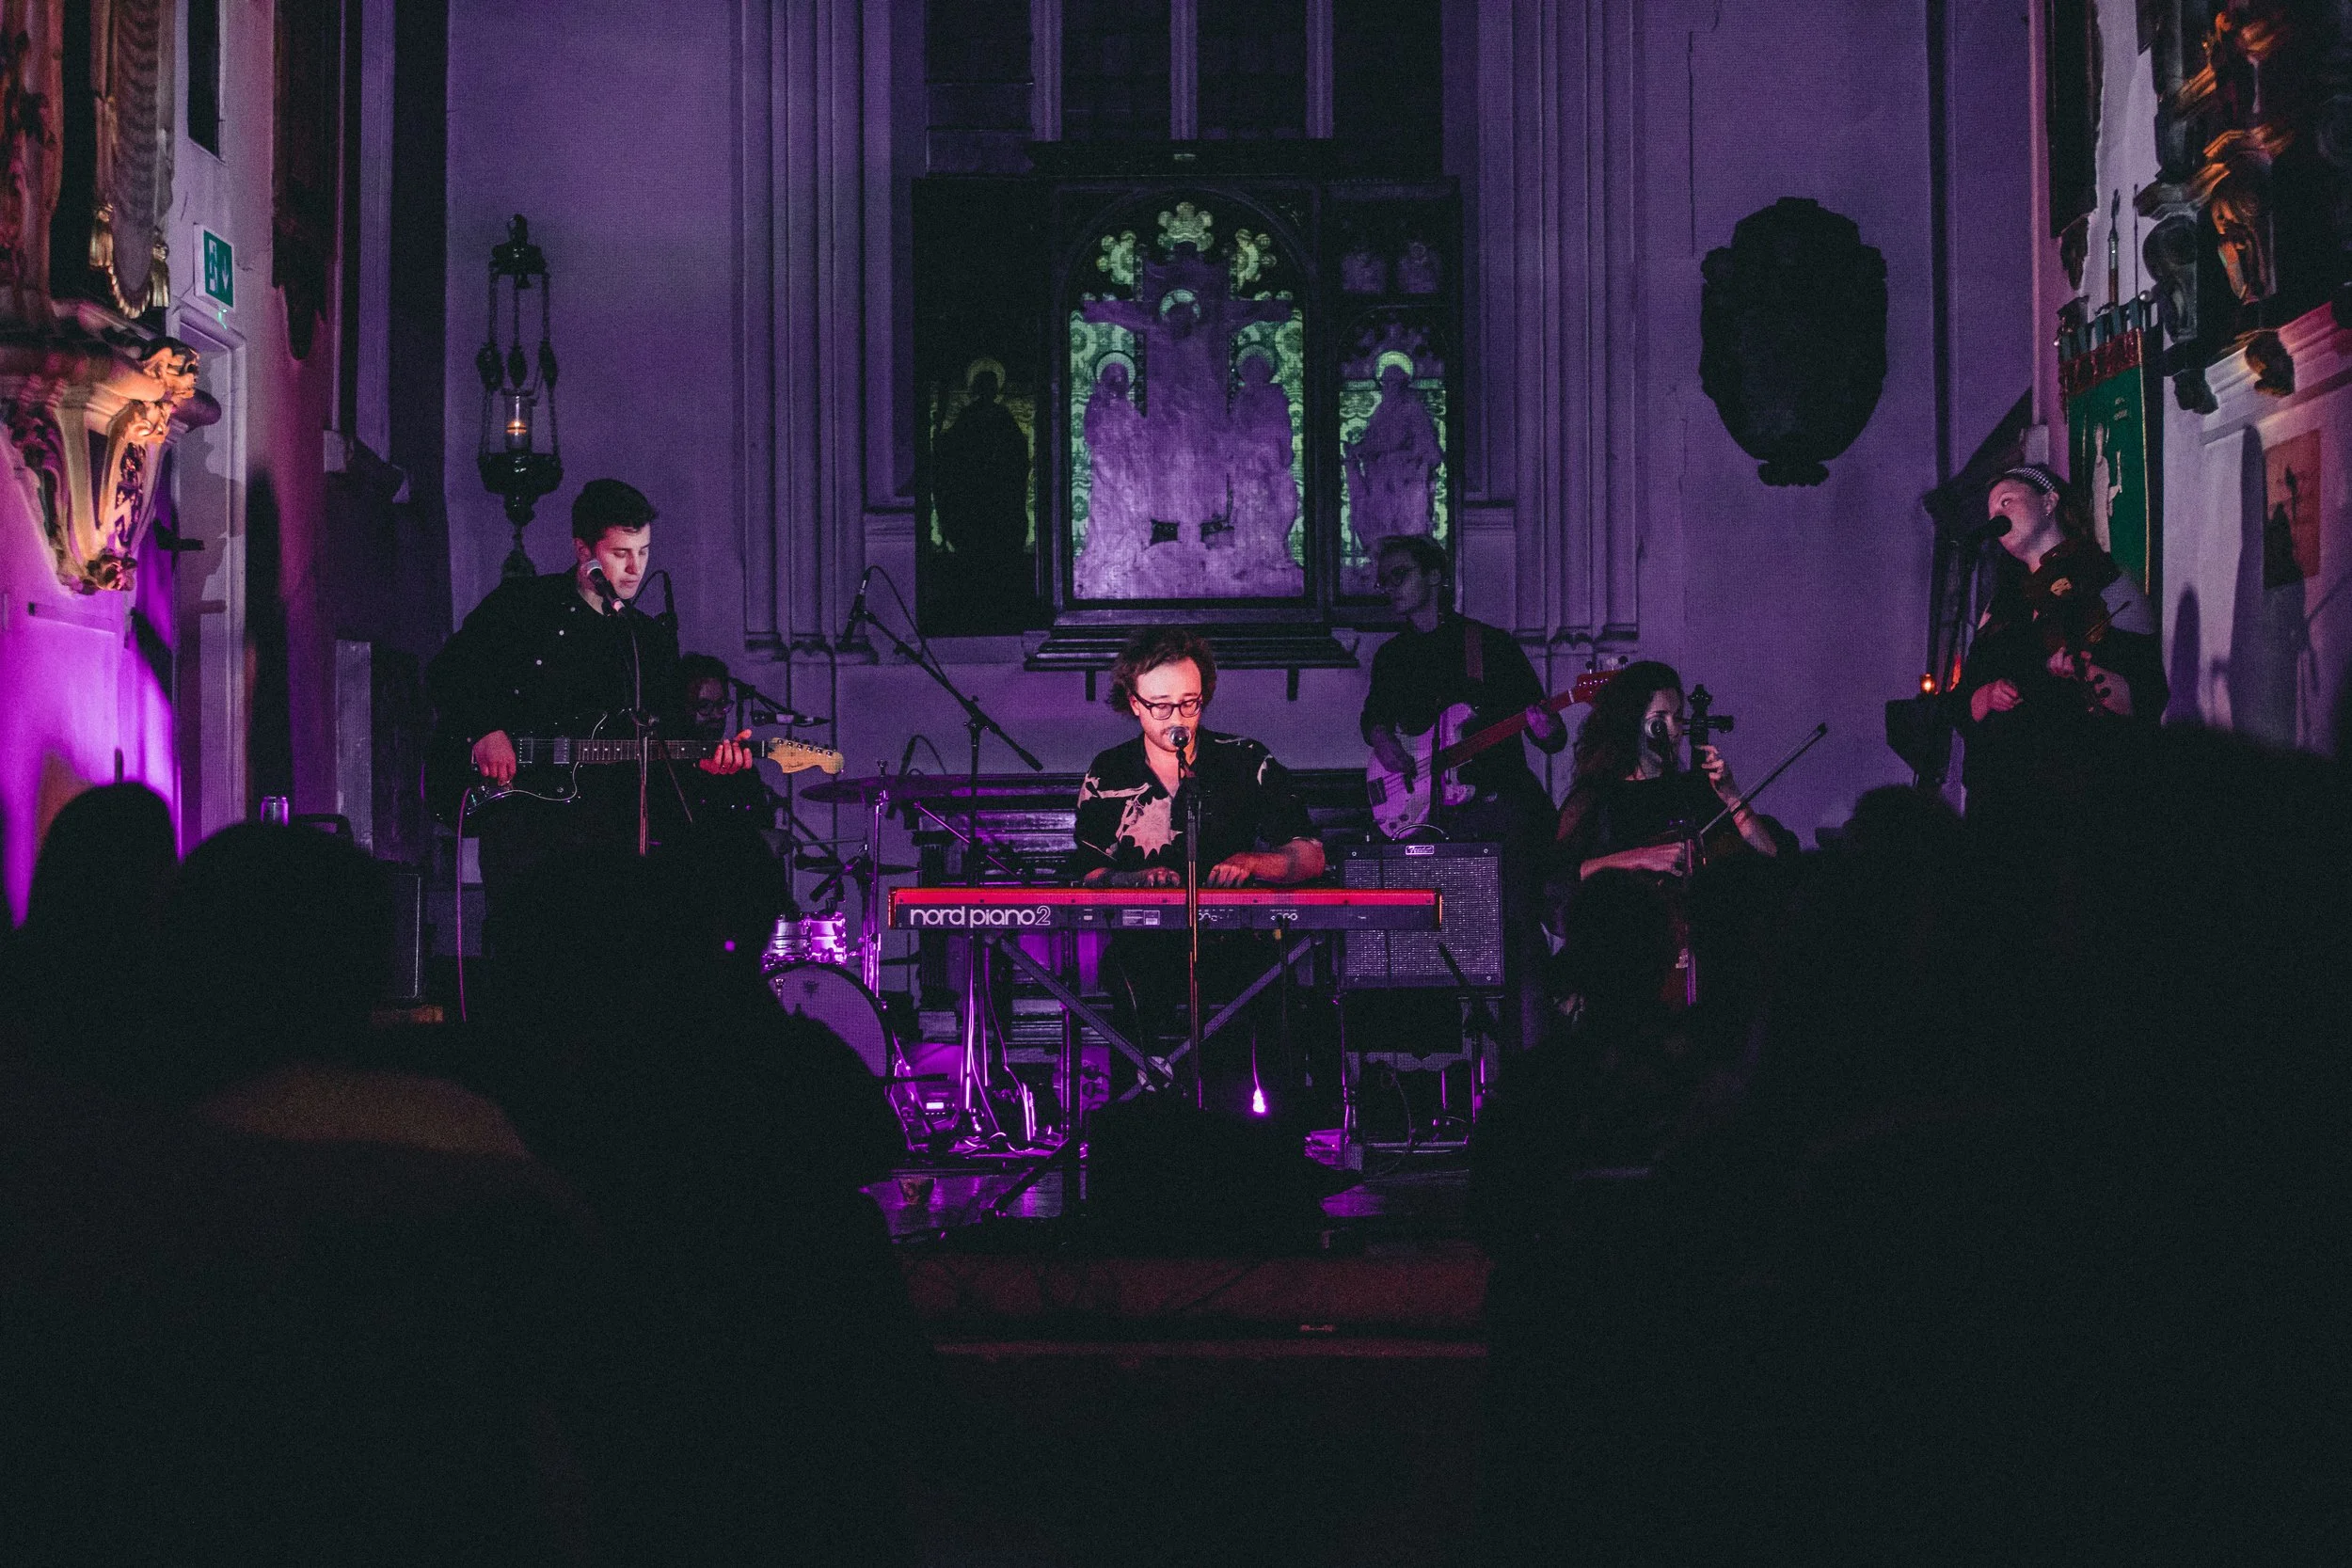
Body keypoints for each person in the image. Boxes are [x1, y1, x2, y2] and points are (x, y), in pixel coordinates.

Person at [425, 479, 755, 947]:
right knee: (524, 951)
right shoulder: (523, 606)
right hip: (525, 827)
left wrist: (706, 763)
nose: (636, 568)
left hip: (608, 838)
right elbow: (447, 671)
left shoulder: (647, 640)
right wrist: (484, 730)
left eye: (643, 552)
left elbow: (662, 744)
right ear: (584, 551)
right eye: (621, 553)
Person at [1073, 627, 1325, 1115]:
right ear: (1134, 703)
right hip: (1144, 946)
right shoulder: (1109, 771)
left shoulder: (1245, 760)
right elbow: (1088, 874)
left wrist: (1253, 862)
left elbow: (1310, 853)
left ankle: (1256, 1125)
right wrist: (1134, 880)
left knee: (1267, 995)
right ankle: (1143, 1119)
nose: (1177, 719)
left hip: (1235, 943)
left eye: (1189, 704)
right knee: (1131, 988)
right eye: (1161, 706)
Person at [1359, 533, 1566, 1048]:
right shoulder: (1392, 658)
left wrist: (1545, 727)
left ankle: (1528, 1060)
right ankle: (1439, 1061)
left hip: (1496, 813)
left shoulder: (1489, 646)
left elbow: (1550, 732)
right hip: (1429, 816)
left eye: (1400, 575)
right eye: (1384, 581)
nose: (1390, 588)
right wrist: (1383, 741)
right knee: (1430, 941)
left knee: (1515, 934)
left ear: (1435, 576)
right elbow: (1375, 719)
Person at [1956, 463, 2167, 830]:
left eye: (2007, 502)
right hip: (2000, 800)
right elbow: (1963, 699)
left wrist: (2087, 673)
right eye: (1991, 512)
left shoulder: (2105, 582)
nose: (1997, 516)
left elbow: (2147, 691)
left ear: (2049, 501)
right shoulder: (2002, 604)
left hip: (2076, 798)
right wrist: (1986, 695)